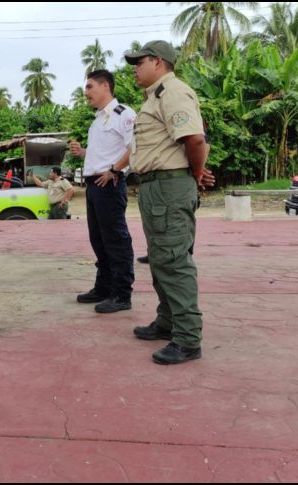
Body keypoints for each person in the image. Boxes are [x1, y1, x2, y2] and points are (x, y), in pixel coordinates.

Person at [124, 40, 215, 365]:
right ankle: (168, 321)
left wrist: (197, 171)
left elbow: (195, 139)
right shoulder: (155, 97)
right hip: (155, 187)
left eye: (140, 62)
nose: (135, 69)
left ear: (159, 62)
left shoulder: (173, 92)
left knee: (174, 260)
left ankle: (188, 338)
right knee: (161, 259)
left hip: (168, 186)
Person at [70, 69, 136, 314]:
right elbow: (104, 153)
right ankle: (104, 287)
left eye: (89, 87)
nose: (85, 92)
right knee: (98, 239)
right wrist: (83, 153)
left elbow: (134, 147)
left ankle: (121, 294)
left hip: (109, 184)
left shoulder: (124, 114)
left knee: (116, 240)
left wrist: (114, 170)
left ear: (105, 86)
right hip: (94, 185)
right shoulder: (98, 119)